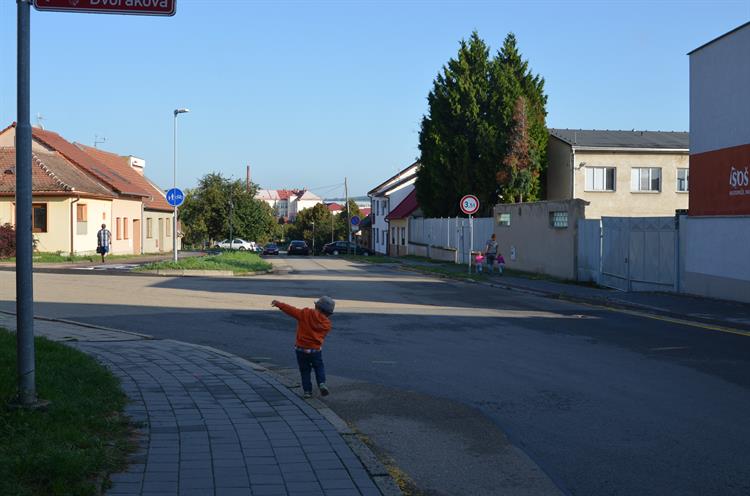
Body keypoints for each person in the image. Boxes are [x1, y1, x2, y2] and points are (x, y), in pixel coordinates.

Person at [271, 296, 335, 399]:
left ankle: (307, 392)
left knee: (305, 370)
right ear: (328, 313)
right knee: (319, 367)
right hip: (315, 350)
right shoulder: (327, 324)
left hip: (301, 349)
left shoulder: (305, 314)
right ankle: (321, 383)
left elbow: (291, 310)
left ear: (317, 307)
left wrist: (279, 304)